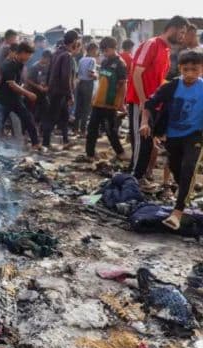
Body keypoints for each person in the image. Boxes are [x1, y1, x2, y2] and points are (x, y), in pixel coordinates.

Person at [139, 50, 203, 230]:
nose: (190, 74)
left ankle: (177, 212)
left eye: (195, 70)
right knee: (176, 169)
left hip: (195, 135)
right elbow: (149, 105)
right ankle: (184, 193)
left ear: (202, 69)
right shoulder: (172, 86)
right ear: (180, 69)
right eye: (186, 69)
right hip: (172, 136)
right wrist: (145, 123)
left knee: (188, 167)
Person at [126, 15, 189, 188]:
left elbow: (158, 81)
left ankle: (136, 178)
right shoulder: (152, 44)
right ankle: (133, 179)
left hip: (153, 104)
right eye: (182, 32)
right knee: (141, 142)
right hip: (140, 101)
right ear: (173, 28)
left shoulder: (166, 51)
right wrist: (143, 101)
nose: (183, 37)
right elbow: (136, 73)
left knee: (146, 144)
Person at [85, 37, 127, 160]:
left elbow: (123, 84)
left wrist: (121, 103)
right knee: (92, 129)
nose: (104, 53)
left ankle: (120, 153)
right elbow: (102, 79)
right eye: (102, 51)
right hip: (98, 101)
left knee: (111, 131)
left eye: (106, 50)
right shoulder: (104, 61)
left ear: (113, 48)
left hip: (110, 102)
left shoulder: (120, 64)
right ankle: (90, 154)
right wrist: (95, 76)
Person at [41, 30, 81, 149]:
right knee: (52, 118)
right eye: (77, 40)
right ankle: (45, 143)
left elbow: (49, 71)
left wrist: (48, 86)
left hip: (54, 90)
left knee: (64, 116)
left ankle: (66, 140)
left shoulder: (57, 52)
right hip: (60, 92)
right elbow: (65, 78)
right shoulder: (66, 56)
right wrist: (70, 95)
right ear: (74, 41)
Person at [0, 41, 40, 150]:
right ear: (21, 53)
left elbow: (19, 82)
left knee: (28, 119)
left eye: (31, 54)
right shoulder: (9, 64)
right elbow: (12, 84)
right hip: (4, 99)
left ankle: (36, 144)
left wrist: (24, 89)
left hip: (15, 99)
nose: (29, 57)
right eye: (28, 54)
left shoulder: (20, 65)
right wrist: (28, 93)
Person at [75, 42, 99, 135]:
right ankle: (83, 130)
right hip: (88, 84)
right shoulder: (92, 60)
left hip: (80, 83)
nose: (97, 52)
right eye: (96, 50)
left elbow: (78, 73)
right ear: (93, 50)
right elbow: (90, 73)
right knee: (86, 108)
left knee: (79, 107)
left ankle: (75, 129)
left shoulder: (82, 59)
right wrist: (96, 76)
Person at [25, 49, 52, 126]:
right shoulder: (35, 67)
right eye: (48, 59)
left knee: (46, 109)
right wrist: (38, 86)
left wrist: (47, 86)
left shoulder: (48, 67)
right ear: (43, 58)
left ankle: (41, 128)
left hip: (43, 93)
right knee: (32, 111)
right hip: (34, 93)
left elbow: (49, 78)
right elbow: (28, 80)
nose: (48, 61)